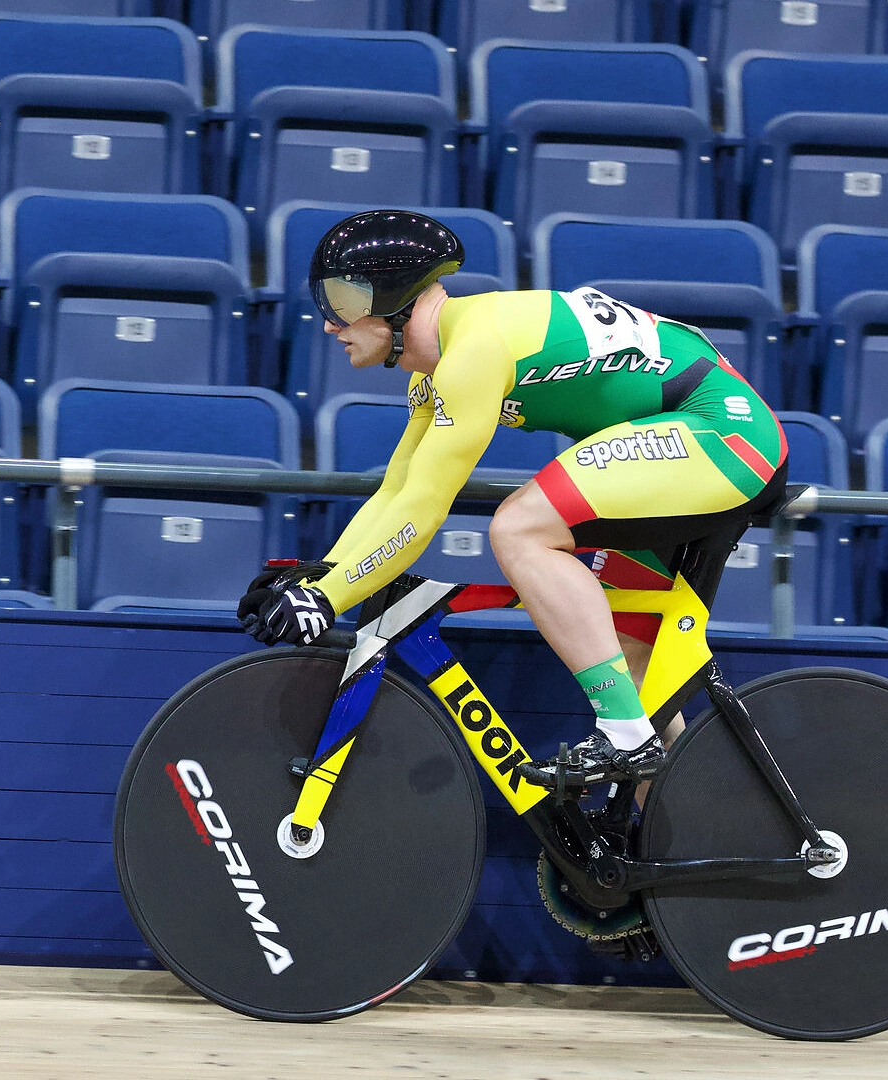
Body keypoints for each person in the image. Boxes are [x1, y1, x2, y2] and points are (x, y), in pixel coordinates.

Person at [239, 209, 786, 786]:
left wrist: (325, 600)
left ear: (393, 297)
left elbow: (424, 514)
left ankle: (627, 741)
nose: (329, 323)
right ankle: (659, 845)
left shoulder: (474, 350)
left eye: (342, 301)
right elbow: (399, 493)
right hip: (689, 441)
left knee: (520, 528)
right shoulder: (438, 368)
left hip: (723, 435)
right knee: (629, 664)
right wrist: (322, 580)